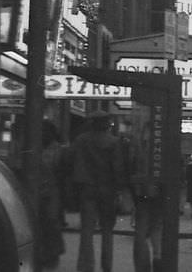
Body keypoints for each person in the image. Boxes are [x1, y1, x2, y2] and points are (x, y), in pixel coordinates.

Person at [70, 110, 125, 272]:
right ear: (107, 125)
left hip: (87, 188)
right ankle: (106, 266)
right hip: (107, 189)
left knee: (86, 230)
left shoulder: (81, 140)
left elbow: (72, 161)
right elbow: (118, 168)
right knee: (107, 231)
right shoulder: (114, 142)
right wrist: (119, 188)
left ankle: (85, 267)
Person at [38, 120, 66, 269]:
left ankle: (50, 253)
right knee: (48, 223)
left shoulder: (57, 150)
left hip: (50, 192)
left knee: (50, 223)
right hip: (48, 191)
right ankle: (49, 253)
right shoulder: (57, 150)